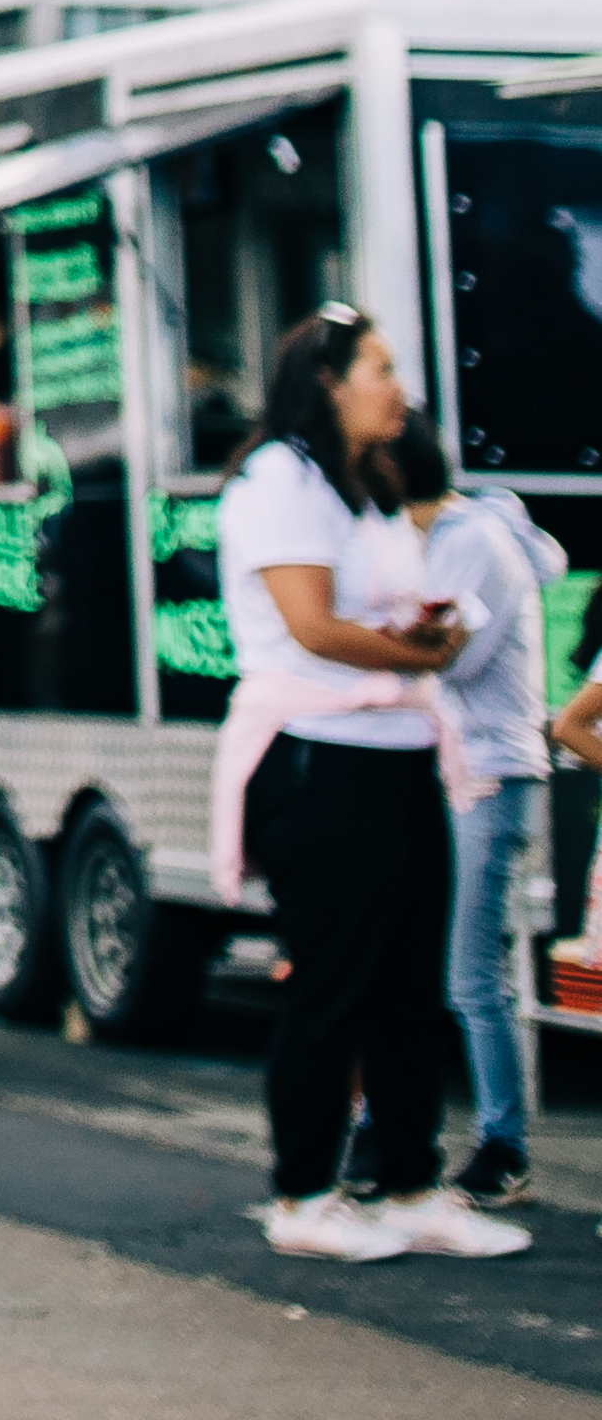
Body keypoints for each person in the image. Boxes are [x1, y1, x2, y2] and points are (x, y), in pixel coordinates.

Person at [211, 307, 525, 1263]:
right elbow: (309, 624)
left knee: (407, 980)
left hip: (399, 751)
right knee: (333, 981)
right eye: (380, 369)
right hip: (317, 751)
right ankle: (303, 1194)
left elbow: (384, 610)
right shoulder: (280, 480)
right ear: (326, 381)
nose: (400, 389)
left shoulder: (371, 484)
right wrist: (416, 653)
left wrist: (433, 631)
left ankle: (406, 1184)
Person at [413, 455, 555, 1212]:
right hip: (475, 770)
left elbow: (450, 660)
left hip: (491, 773)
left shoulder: (472, 542)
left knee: (472, 971)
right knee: (461, 967)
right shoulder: (465, 532)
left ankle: (503, 1148)